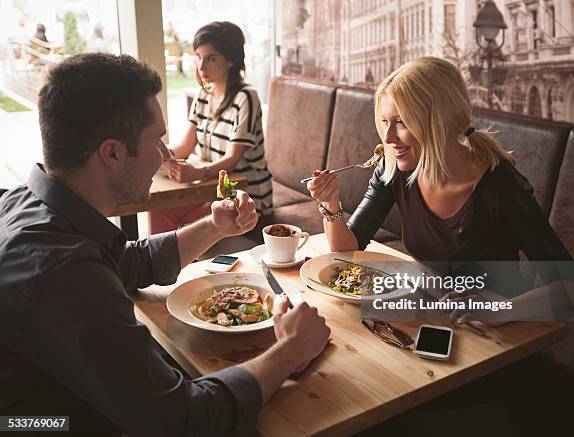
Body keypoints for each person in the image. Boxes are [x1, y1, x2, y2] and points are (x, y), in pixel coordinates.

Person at [0, 53, 330, 436]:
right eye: (157, 140)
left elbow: (127, 263)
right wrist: (290, 350)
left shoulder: (29, 202)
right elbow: (185, 420)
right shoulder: (63, 271)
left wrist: (214, 226)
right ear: (112, 153)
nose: (164, 155)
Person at [307, 57, 574, 322]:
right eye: (385, 122)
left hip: (499, 334)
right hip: (436, 313)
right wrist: (331, 205)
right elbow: (347, 248)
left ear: (440, 122)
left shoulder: (501, 186)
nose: (388, 138)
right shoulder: (395, 170)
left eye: (401, 122)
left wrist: (502, 311)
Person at [150, 21, 273, 234]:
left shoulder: (246, 97)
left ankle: (171, 266)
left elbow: (233, 160)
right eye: (198, 57)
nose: (201, 66)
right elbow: (185, 147)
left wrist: (198, 172)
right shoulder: (203, 95)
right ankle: (162, 267)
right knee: (159, 210)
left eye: (211, 58)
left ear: (231, 60)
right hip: (212, 191)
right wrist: (156, 154)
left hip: (246, 196)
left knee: (181, 223)